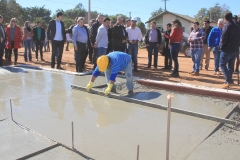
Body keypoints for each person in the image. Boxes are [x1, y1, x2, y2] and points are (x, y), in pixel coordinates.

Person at [219, 12, 240, 88]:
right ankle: (228, 81)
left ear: (225, 18)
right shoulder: (237, 27)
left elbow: (223, 39)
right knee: (230, 66)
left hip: (226, 50)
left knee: (222, 64)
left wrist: (221, 47)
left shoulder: (226, 26)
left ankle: (229, 80)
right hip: (235, 50)